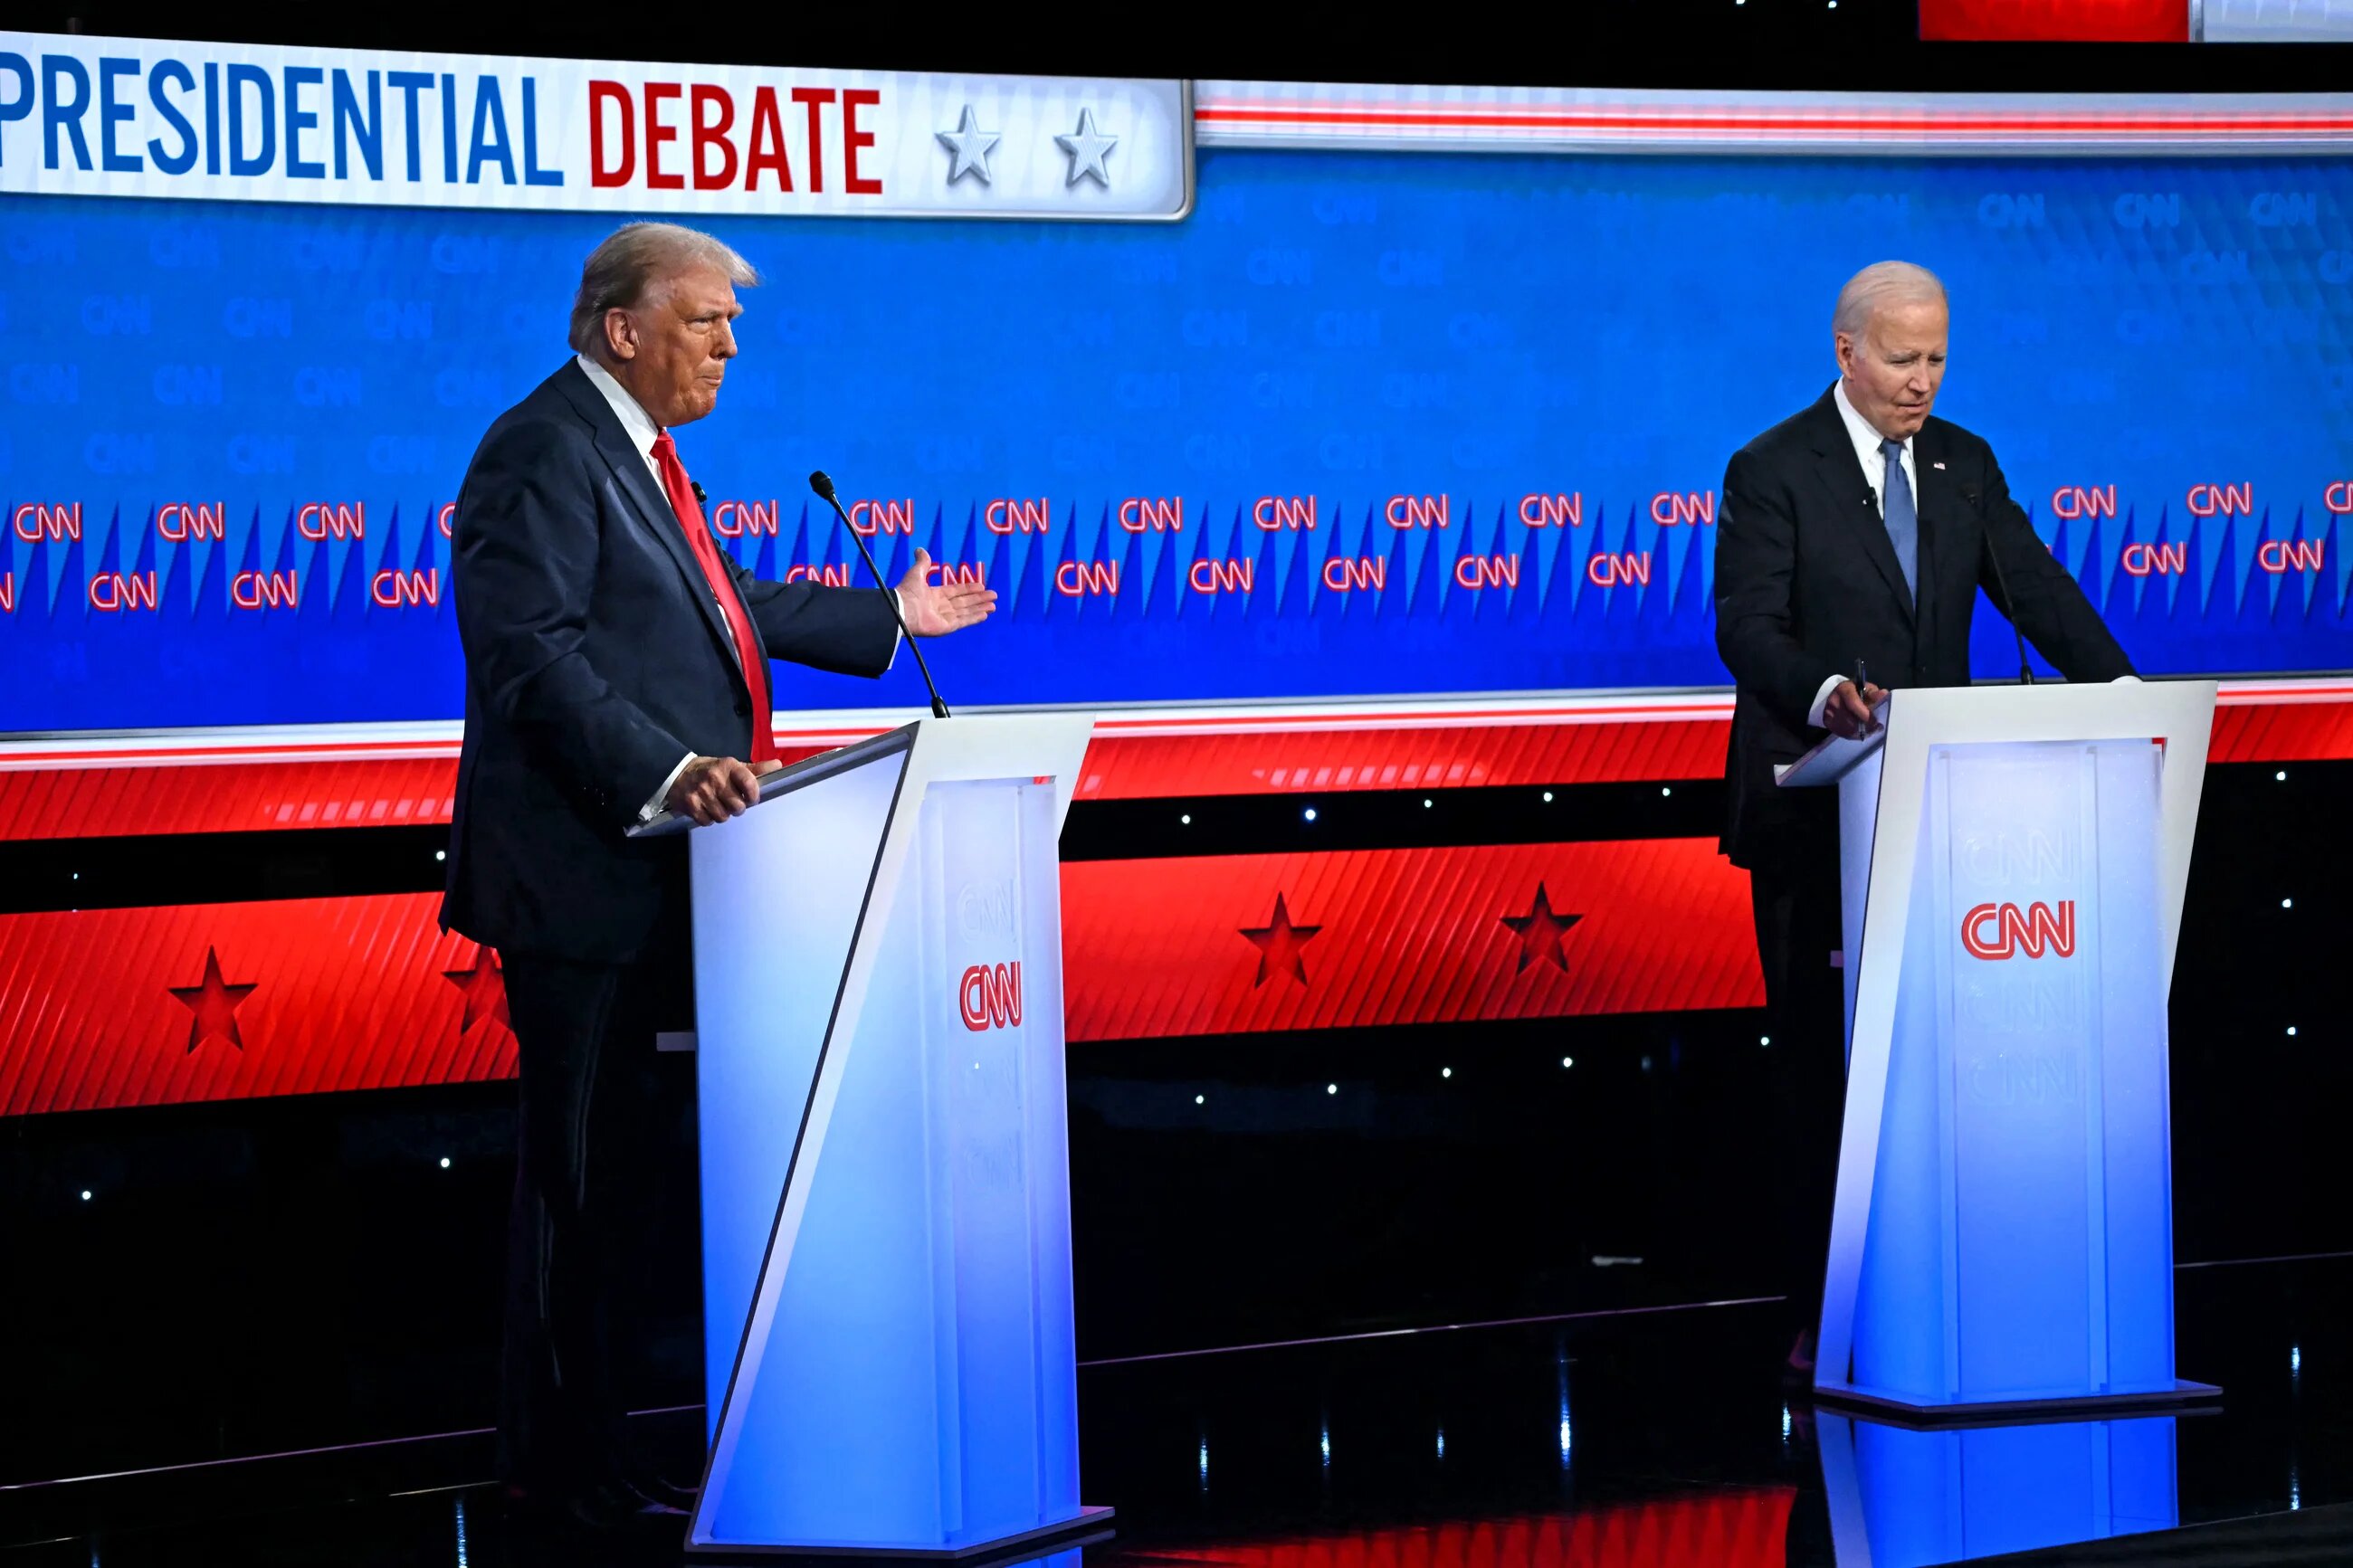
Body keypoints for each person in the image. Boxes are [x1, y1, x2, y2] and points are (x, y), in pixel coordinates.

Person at [440, 222, 996, 1526]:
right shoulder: (541, 447)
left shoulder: (634, 458)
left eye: (730, 325)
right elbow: (529, 652)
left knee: (621, 1191)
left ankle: (603, 1457)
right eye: (706, 321)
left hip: (652, 892)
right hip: (583, 890)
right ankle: (558, 1476)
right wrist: (668, 768)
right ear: (624, 329)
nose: (729, 346)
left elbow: (719, 596)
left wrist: (886, 617)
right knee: (575, 1196)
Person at [1711, 260, 2134, 1380]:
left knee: (1936, 1071)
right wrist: (1820, 694)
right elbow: (1745, 630)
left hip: (1945, 817)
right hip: (1816, 811)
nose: (1921, 380)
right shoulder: (1768, 470)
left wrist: (2126, 698)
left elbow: (2033, 589)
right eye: (1901, 357)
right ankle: (1827, 1317)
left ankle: (1953, 1301)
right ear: (1844, 351)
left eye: (1937, 356)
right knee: (1823, 1070)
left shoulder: (1961, 466)